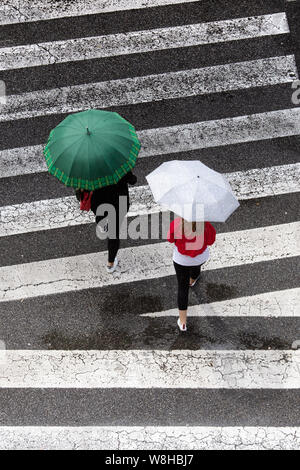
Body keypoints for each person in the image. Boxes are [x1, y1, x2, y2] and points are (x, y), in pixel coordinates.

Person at [76, 171, 137, 273]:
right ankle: (110, 263)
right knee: (114, 233)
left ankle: (102, 224)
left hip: (99, 201)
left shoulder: (88, 168)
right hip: (119, 203)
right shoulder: (119, 165)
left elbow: (82, 189)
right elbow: (133, 180)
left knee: (100, 215)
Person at [167, 217, 216, 332]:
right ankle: (193, 279)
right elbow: (210, 241)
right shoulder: (206, 225)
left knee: (182, 288)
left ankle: (183, 322)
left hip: (182, 260)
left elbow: (170, 239)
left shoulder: (177, 223)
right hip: (200, 258)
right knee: (195, 266)